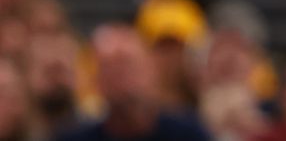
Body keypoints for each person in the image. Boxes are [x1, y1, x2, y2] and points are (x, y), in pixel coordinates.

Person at [55, 24, 210, 141]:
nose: (119, 77)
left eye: (126, 64)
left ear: (150, 69)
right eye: (109, 68)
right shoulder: (72, 137)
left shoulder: (189, 133)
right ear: (96, 80)